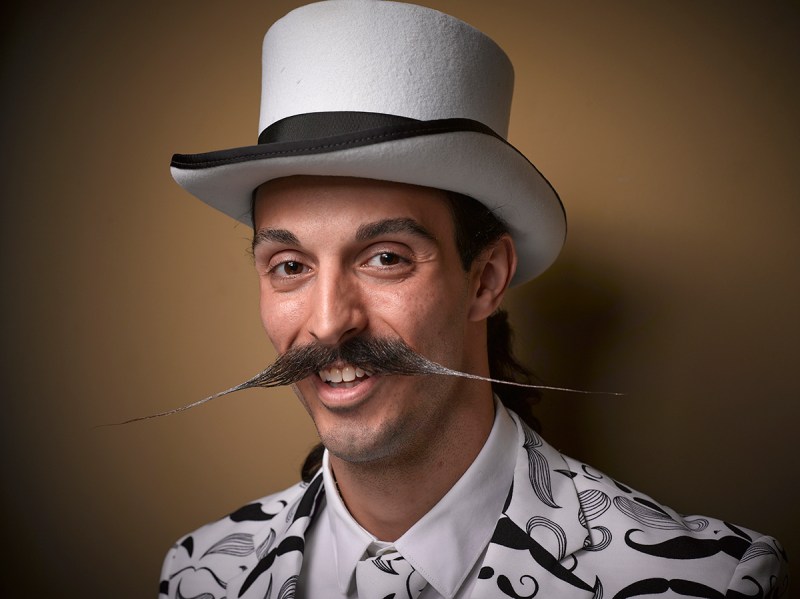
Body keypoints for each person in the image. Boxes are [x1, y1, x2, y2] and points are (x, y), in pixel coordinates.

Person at [159, 1, 788, 598]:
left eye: (386, 258)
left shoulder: (706, 582)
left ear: (485, 280)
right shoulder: (201, 574)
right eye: (290, 266)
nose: (327, 322)